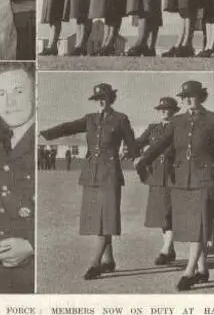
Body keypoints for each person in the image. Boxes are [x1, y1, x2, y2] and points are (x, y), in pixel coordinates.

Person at [135, 81, 214, 291]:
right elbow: (161, 143)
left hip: (205, 179)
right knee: (192, 227)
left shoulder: (213, 120)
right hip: (182, 180)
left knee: (200, 225)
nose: (187, 100)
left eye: (191, 96)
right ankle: (203, 269)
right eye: (184, 97)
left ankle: (189, 271)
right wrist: (144, 159)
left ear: (201, 97)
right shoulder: (176, 121)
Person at [40, 83, 139, 279]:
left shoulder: (120, 119)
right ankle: (108, 259)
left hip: (110, 174)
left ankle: (95, 263)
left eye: (104, 98)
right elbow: (68, 127)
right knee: (98, 217)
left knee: (107, 216)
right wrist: (46, 133)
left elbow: (131, 144)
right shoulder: (90, 119)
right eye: (97, 99)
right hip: (91, 173)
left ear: (111, 99)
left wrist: (135, 155)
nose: (101, 101)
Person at [0, 62, 36, 293]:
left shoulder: (42, 140)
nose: (9, 102)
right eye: (1, 94)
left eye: (18, 92)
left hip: (35, 276)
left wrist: (31, 244)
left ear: (37, 94)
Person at [135, 96, 179, 266]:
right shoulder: (153, 128)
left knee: (170, 212)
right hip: (156, 176)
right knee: (162, 215)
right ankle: (170, 249)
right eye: (161, 109)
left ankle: (166, 249)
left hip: (173, 175)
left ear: (174, 111)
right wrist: (128, 148)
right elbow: (138, 142)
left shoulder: (179, 127)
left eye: (167, 109)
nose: (163, 111)